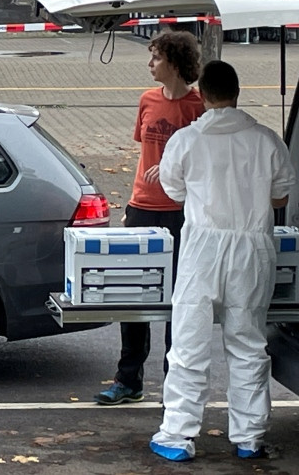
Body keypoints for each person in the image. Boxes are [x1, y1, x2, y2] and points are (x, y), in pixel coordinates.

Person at [149, 60, 294, 462]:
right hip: (252, 246)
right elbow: (281, 197)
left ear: (204, 95)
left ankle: (177, 435)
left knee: (189, 343)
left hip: (203, 248)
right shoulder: (267, 140)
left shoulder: (186, 139)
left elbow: (175, 193)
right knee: (248, 341)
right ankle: (249, 436)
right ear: (237, 92)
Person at [95, 30, 204, 406]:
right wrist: (132, 201)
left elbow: (204, 161)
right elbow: (145, 147)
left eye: (155, 58)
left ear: (173, 63)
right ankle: (129, 379)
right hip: (143, 207)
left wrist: (179, 174)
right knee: (133, 296)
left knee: (178, 299)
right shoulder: (147, 99)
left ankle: (174, 383)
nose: (149, 64)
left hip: (180, 212)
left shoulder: (197, 106)